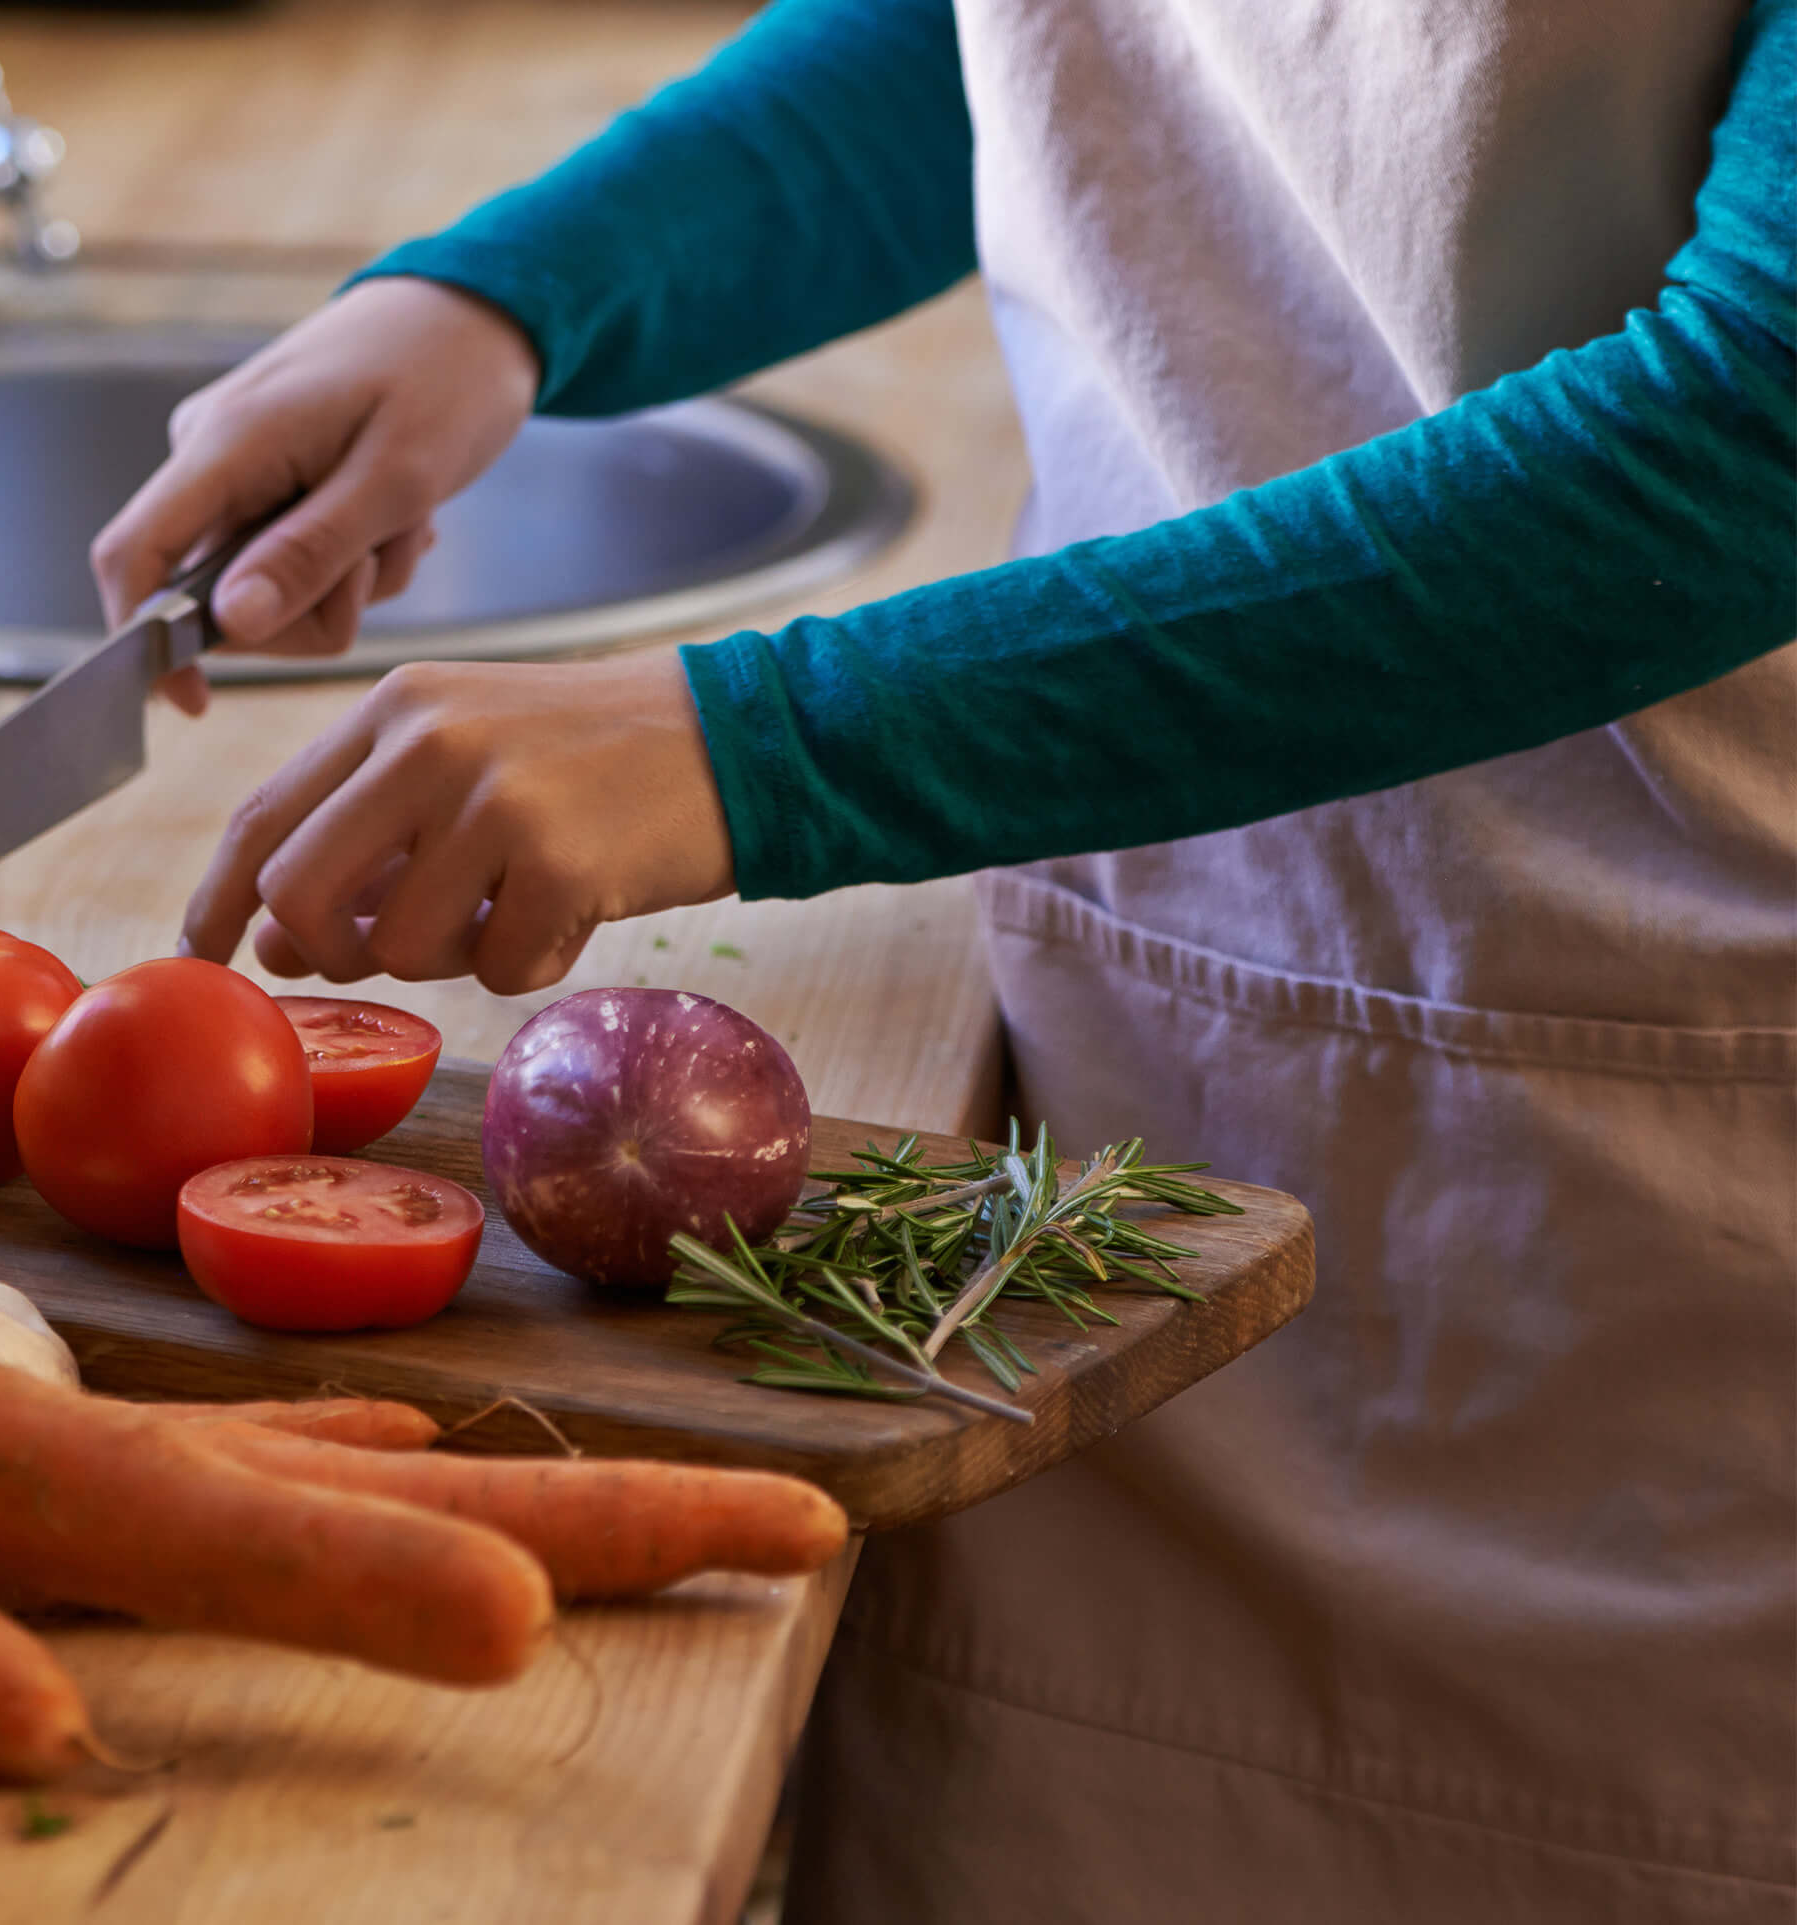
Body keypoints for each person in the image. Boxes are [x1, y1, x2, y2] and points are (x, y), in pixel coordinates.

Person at [88, 1, 1795, 1918]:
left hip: (1656, 1171)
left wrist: (769, 741)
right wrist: (509, 296)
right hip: (1125, 1069)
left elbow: (1756, 426)